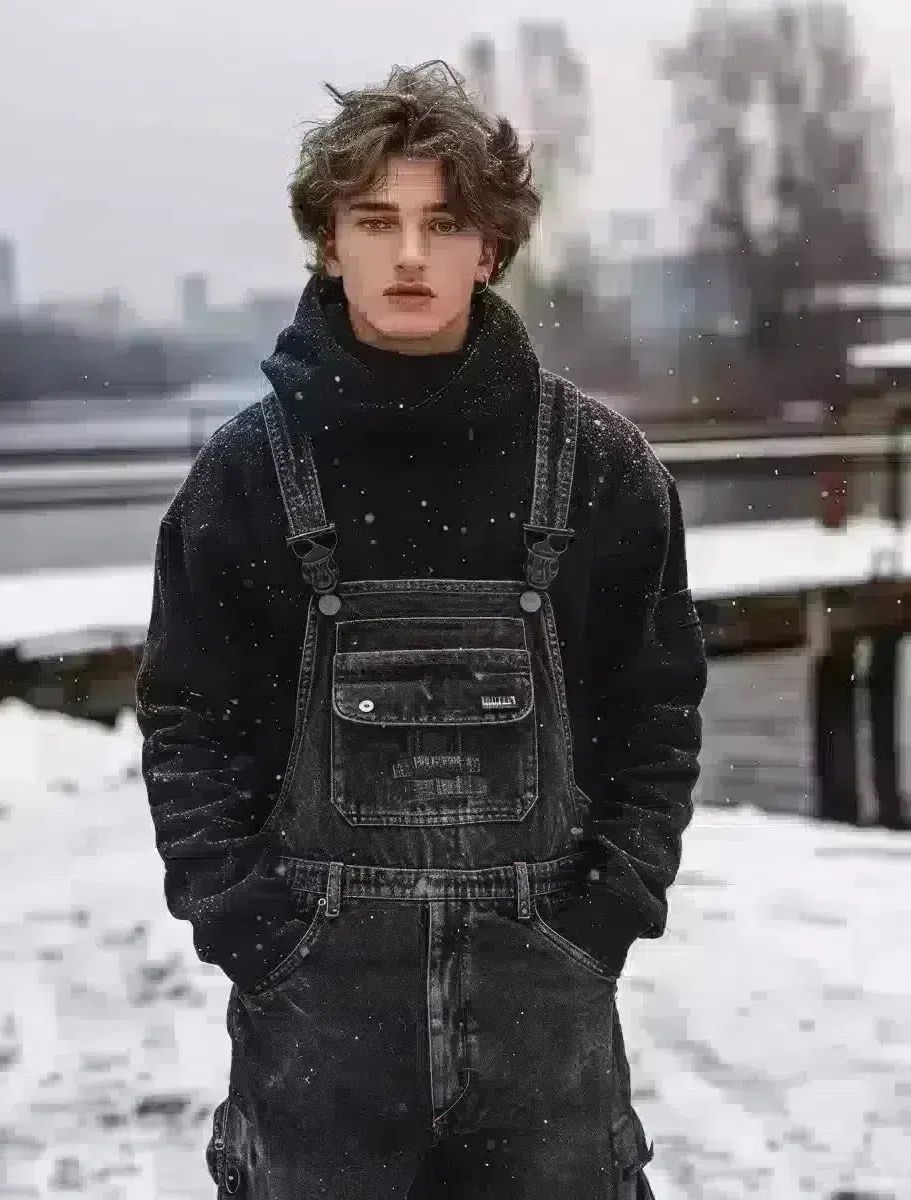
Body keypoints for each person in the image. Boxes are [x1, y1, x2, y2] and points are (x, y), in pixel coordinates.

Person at [135, 59, 707, 1200]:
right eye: (375, 219)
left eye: (443, 223)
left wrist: (607, 912)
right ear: (327, 242)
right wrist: (255, 931)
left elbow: (658, 712)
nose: (408, 256)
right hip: (319, 1028)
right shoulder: (246, 478)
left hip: (546, 1012)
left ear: (489, 249)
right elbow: (186, 725)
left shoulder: (601, 471)